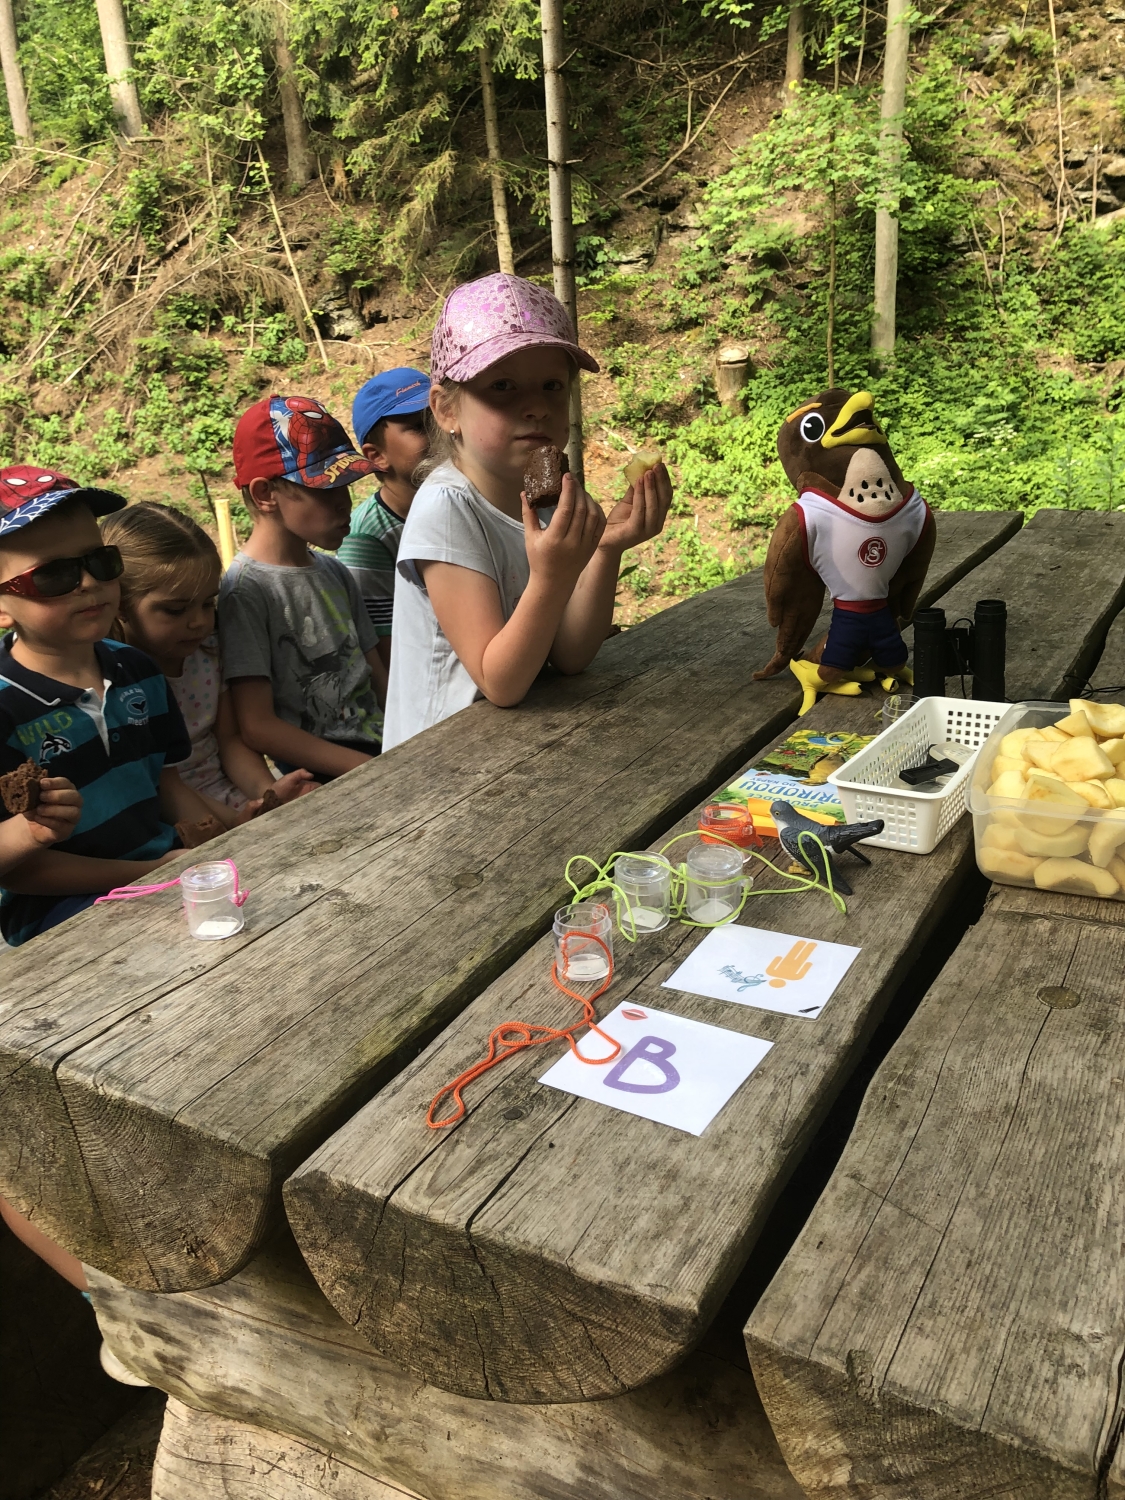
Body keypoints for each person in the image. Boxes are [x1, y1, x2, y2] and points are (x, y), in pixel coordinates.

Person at [382, 273, 673, 751]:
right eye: (502, 385)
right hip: (437, 761)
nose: (536, 406)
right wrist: (552, 576)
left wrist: (605, 549)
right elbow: (500, 681)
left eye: (552, 385)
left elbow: (570, 655)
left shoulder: (547, 498)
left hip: (512, 750)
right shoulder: (447, 508)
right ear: (447, 410)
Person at [0, 466, 215, 947]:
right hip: (61, 916)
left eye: (100, 561)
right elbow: (19, 872)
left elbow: (166, 784)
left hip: (163, 872)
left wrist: (225, 842)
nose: (86, 582)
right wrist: (149, 872)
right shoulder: (6, 707)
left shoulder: (137, 669)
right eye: (53, 574)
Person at [102, 502, 315, 826]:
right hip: (175, 819)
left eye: (208, 603)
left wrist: (269, 797)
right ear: (119, 603)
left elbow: (229, 741)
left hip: (230, 797)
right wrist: (237, 821)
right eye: (175, 610)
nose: (199, 622)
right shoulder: (115, 680)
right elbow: (159, 783)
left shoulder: (207, 652)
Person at [220, 395, 387, 782]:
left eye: (346, 486)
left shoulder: (335, 572)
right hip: (326, 775)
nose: (345, 503)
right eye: (326, 489)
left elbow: (377, 676)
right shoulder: (245, 591)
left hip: (385, 748)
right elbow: (257, 726)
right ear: (266, 495)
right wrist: (366, 769)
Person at [338, 367, 431, 670]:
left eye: (439, 419)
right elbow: (387, 652)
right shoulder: (367, 538)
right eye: (420, 426)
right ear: (377, 456)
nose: (440, 433)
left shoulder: (463, 503)